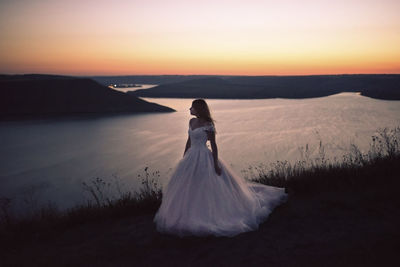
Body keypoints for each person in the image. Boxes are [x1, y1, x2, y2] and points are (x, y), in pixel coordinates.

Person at [153, 99, 287, 237]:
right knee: (189, 186)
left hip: (204, 156)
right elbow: (189, 140)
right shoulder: (191, 122)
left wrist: (215, 164)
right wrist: (184, 156)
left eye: (192, 107)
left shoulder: (208, 124)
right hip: (191, 156)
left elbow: (214, 145)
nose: (190, 110)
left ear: (199, 109)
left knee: (208, 185)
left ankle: (210, 214)